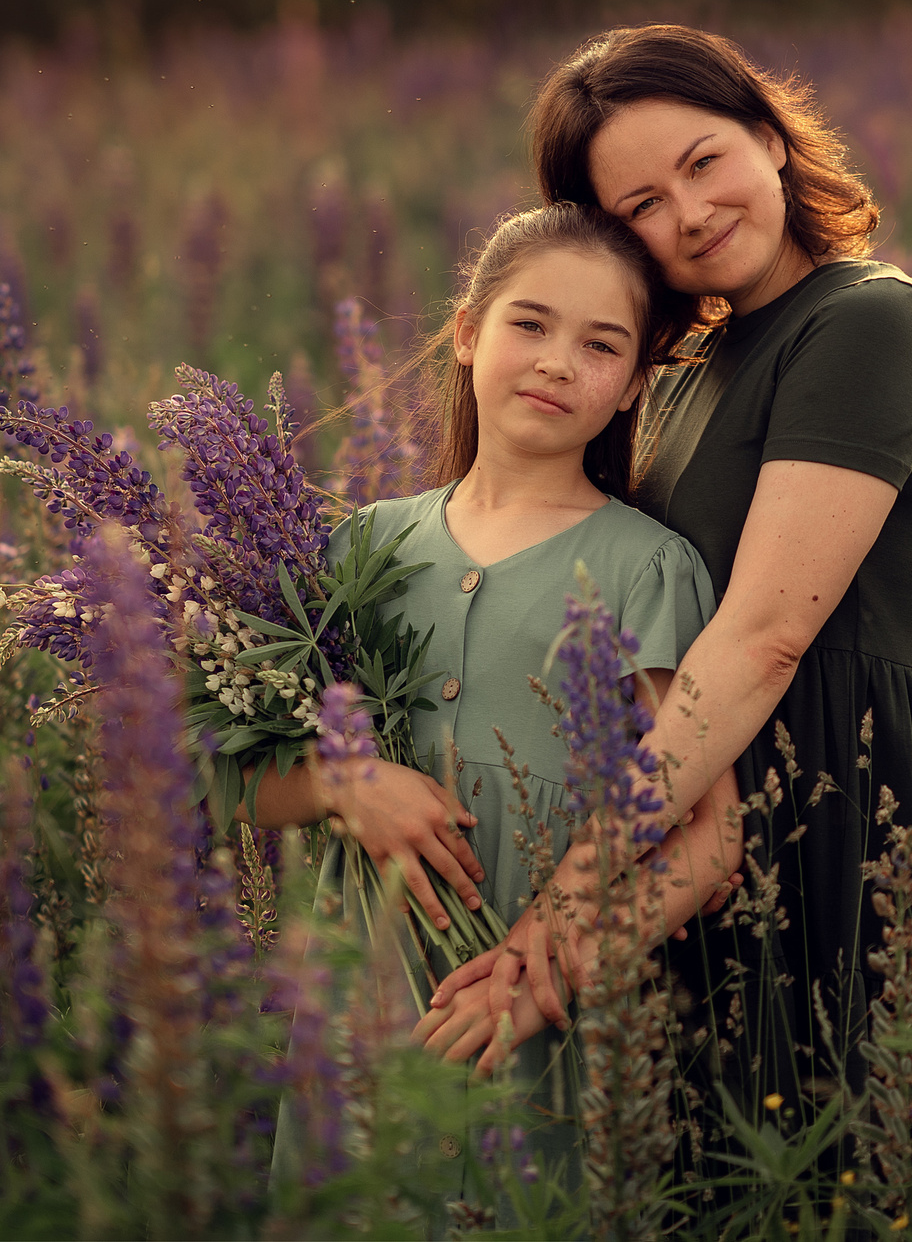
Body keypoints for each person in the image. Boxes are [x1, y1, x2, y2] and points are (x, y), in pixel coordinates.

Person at [423, 25, 912, 1141]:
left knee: (870, 1166)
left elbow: (768, 631)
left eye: (701, 162)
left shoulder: (865, 319)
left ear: (769, 140)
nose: (686, 213)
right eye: (638, 205)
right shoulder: (675, 370)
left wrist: (569, 900)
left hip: (846, 782)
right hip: (690, 811)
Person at [252, 202, 746, 1194]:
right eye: (530, 324)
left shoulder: (646, 567)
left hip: (550, 1018)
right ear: (468, 332)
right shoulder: (358, 548)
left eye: (599, 346)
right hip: (366, 1000)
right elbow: (242, 788)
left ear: (630, 391)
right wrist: (344, 784)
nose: (558, 361)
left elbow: (711, 839)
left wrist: (548, 973)